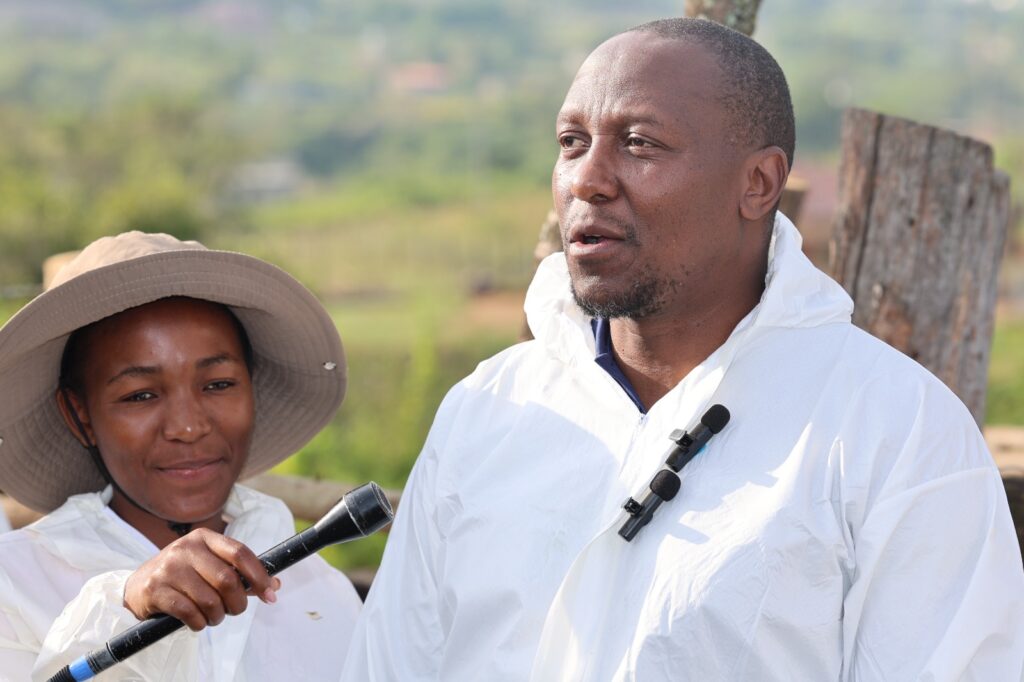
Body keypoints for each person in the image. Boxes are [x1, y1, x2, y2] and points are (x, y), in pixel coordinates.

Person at [341, 17, 1024, 681]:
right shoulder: (488, 412)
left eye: (639, 144)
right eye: (572, 142)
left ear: (757, 183)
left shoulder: (894, 433)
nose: (587, 180)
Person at [0, 231, 363, 680]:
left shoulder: (323, 592)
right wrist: (125, 608)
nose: (188, 427)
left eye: (218, 384)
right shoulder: (14, 585)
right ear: (81, 415)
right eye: (140, 395)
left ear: (252, 387)